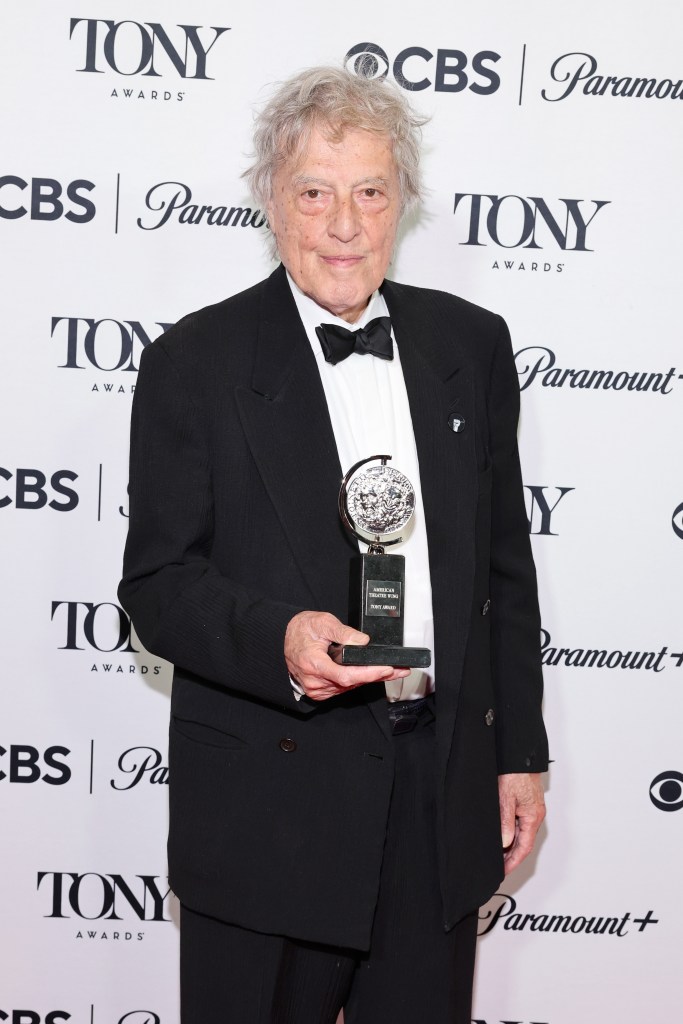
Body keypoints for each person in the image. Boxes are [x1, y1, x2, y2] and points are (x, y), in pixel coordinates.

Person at [119, 65, 549, 1024]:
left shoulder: (470, 345)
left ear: (403, 202)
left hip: (438, 796)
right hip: (271, 801)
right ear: (274, 201)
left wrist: (516, 753)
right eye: (315, 193)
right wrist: (278, 638)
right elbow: (157, 583)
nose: (344, 224)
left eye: (370, 192)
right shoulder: (197, 361)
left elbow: (501, 570)